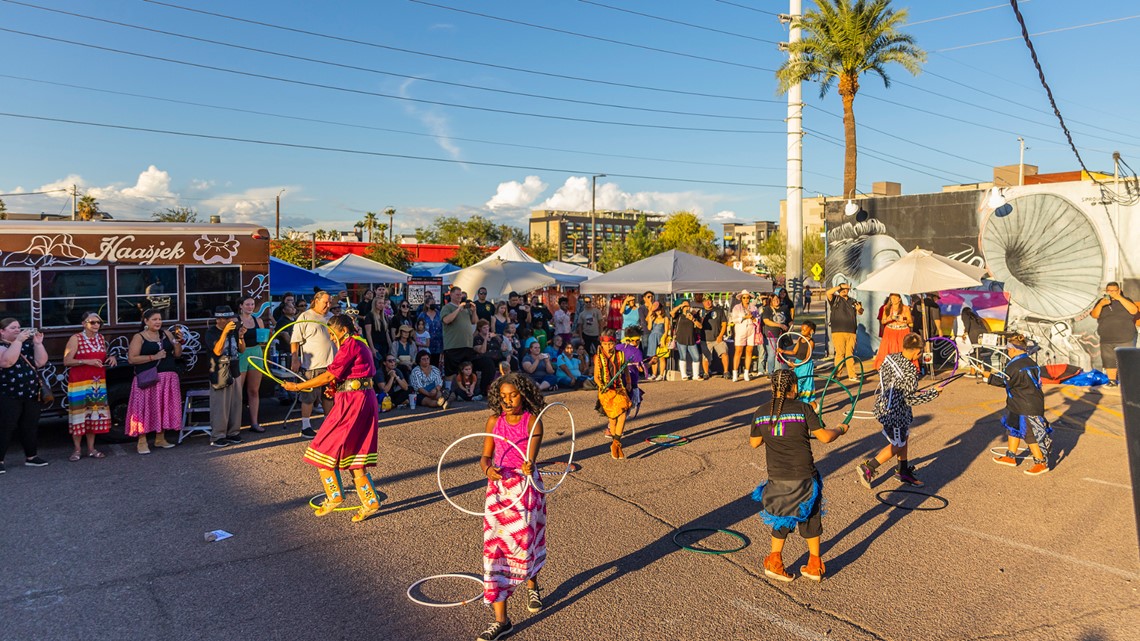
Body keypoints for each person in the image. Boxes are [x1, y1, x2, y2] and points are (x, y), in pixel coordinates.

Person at [750, 369, 850, 583]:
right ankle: (814, 564)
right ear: (794, 387)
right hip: (803, 474)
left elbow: (754, 442)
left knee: (782, 515)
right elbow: (824, 437)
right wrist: (840, 429)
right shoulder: (803, 408)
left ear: (772, 388)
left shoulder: (761, 411)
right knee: (810, 515)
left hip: (777, 476)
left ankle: (775, 561)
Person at [283, 314, 381, 523]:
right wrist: (336, 387)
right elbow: (350, 374)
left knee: (323, 445)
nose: (330, 336)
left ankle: (334, 495)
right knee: (355, 449)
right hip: (360, 398)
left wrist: (297, 387)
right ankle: (370, 501)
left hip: (354, 402)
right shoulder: (357, 343)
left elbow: (329, 375)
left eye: (331, 332)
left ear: (343, 330)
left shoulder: (350, 345)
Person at [477, 373, 546, 641]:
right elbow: (484, 456)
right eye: (503, 396)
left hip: (525, 488)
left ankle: (532, 583)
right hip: (499, 490)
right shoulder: (494, 421)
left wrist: (529, 464)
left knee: (525, 545)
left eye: (513, 395)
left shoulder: (533, 421)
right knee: (495, 550)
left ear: (524, 395)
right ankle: (501, 620)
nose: (507, 401)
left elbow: (531, 457)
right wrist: (488, 469)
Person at [857, 333, 941, 488]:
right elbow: (910, 399)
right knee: (898, 444)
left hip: (883, 405)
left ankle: (903, 471)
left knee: (904, 438)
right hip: (895, 414)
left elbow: (896, 384)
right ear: (917, 352)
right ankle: (868, 467)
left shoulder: (890, 358)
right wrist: (933, 394)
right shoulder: (910, 371)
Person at [984, 334, 1052, 476]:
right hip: (1019, 401)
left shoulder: (1015, 366)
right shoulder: (1029, 361)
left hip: (1027, 405)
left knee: (1030, 434)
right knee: (1013, 426)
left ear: (1013, 349)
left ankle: (1040, 462)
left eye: (1008, 349)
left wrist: (988, 376)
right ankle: (1010, 456)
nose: (1008, 352)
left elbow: (1005, 382)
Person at [126, 309, 183, 455]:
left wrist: (178, 341)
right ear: (145, 321)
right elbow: (132, 358)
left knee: (164, 407)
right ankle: (142, 441)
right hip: (148, 378)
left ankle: (160, 438)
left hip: (168, 377)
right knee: (145, 408)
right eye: (154, 319)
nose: (158, 322)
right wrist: (154, 357)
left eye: (159, 319)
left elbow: (177, 354)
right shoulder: (139, 337)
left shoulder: (166, 334)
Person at [62, 312, 115, 461]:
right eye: (92, 322)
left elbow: (101, 357)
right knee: (78, 414)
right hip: (79, 383)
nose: (96, 325)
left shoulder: (100, 338)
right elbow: (67, 361)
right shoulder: (76, 338)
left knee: (94, 415)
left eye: (99, 322)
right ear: (84, 323)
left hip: (96, 383)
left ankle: (91, 448)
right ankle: (77, 449)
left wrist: (110, 357)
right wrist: (86, 361)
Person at [0, 319, 49, 471]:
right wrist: (18, 341)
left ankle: (31, 456)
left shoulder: (25, 344)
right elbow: (7, 362)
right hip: (8, 394)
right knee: (5, 427)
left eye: (19, 328)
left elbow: (40, 362)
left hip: (31, 393)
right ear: (2, 331)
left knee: (30, 426)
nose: (17, 330)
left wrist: (38, 344)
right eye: (13, 328)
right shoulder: (3, 345)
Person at [290, 290, 335, 440]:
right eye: (325, 302)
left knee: (328, 396)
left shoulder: (331, 317)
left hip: (331, 364)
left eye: (330, 303)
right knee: (308, 396)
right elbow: (295, 339)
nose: (328, 305)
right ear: (316, 300)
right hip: (312, 365)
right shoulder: (305, 316)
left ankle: (327, 424)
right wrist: (295, 358)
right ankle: (305, 426)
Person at [205, 306, 245, 447]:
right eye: (227, 318)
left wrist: (240, 336)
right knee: (220, 405)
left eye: (231, 318)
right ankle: (218, 435)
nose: (230, 321)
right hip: (219, 370)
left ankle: (233, 432)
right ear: (219, 319)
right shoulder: (211, 332)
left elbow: (241, 350)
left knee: (236, 403)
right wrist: (224, 333)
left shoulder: (233, 331)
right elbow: (217, 351)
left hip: (234, 368)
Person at [1091, 281, 1138, 387]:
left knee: (1126, 360)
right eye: (1108, 290)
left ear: (1119, 291)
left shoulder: (1126, 300)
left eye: (1113, 291)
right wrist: (1101, 304)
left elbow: (1134, 311)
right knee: (1109, 361)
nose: (1111, 292)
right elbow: (1094, 315)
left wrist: (1119, 298)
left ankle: (1127, 382)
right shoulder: (1101, 302)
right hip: (1107, 338)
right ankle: (1112, 381)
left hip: (1125, 337)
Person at [594, 329, 631, 459]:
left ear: (614, 343)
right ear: (601, 344)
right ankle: (614, 444)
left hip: (619, 389)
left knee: (622, 415)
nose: (607, 347)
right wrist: (602, 386)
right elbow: (596, 377)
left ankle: (617, 443)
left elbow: (625, 370)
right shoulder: (598, 357)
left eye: (610, 344)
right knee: (613, 419)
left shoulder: (621, 354)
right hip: (606, 392)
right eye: (605, 345)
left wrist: (628, 382)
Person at [234, 296, 266, 433]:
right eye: (247, 304)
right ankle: (235, 425)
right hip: (241, 353)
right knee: (237, 391)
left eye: (252, 304)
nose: (250, 307)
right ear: (241, 306)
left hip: (256, 352)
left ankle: (254, 422)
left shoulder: (258, 320)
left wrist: (266, 337)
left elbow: (262, 341)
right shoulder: (235, 321)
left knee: (253, 390)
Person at [441, 286, 480, 389]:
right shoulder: (447, 307)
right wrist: (458, 308)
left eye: (460, 294)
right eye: (457, 294)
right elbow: (446, 320)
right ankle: (448, 390)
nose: (459, 296)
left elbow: (475, 321)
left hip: (466, 344)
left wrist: (474, 310)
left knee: (467, 370)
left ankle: (466, 390)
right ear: (451, 295)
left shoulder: (466, 309)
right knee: (450, 371)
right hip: (453, 345)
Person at [825, 283, 864, 383]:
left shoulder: (853, 301)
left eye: (846, 289)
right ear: (838, 289)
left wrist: (859, 309)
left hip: (851, 331)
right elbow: (828, 292)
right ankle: (837, 374)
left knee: (849, 354)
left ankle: (852, 375)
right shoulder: (835, 299)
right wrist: (840, 286)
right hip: (838, 331)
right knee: (840, 353)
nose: (844, 290)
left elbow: (860, 311)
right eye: (842, 289)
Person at [779, 321, 818, 410]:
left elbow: (808, 357)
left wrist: (796, 365)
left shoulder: (811, 342)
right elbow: (794, 351)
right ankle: (801, 407)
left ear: (811, 331)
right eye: (801, 330)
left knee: (803, 384)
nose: (802, 332)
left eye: (805, 330)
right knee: (796, 384)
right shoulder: (800, 339)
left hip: (805, 364)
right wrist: (783, 351)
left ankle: (814, 407)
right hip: (798, 362)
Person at [874, 293, 912, 370]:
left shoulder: (905, 308)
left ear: (899, 299)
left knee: (902, 349)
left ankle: (903, 367)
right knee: (889, 349)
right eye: (891, 298)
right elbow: (883, 321)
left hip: (902, 331)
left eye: (895, 298)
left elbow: (910, 320)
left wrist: (902, 319)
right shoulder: (886, 308)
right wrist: (890, 318)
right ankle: (888, 367)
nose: (893, 300)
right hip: (890, 331)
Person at [617, 325, 649, 415]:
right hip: (630, 380)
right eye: (638, 340)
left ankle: (611, 426)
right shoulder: (636, 351)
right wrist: (650, 363)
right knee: (628, 403)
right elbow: (641, 369)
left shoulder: (618, 347)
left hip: (616, 378)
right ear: (635, 340)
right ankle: (619, 423)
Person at [730, 290, 759, 382]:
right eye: (744, 297)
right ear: (741, 299)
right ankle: (735, 373)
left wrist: (752, 317)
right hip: (740, 330)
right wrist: (744, 317)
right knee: (738, 351)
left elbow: (757, 321)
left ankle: (746, 372)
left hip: (751, 329)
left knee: (749, 351)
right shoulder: (736, 307)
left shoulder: (753, 308)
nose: (746, 299)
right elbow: (734, 319)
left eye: (748, 297)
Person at [699, 295, 729, 380]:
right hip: (705, 339)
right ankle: (706, 372)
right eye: (705, 301)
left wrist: (720, 335)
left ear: (712, 301)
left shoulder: (719, 310)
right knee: (705, 357)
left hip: (717, 338)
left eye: (709, 300)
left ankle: (726, 371)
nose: (707, 302)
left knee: (724, 352)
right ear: (703, 303)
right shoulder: (701, 312)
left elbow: (724, 324)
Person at [954, 306, 989, 377]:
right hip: (982, 333)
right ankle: (979, 371)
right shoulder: (975, 317)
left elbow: (967, 324)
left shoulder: (965, 315)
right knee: (978, 350)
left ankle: (972, 371)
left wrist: (965, 333)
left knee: (972, 351)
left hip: (974, 333)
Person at [671, 299, 701, 381]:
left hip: (691, 339)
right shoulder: (679, 315)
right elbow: (672, 313)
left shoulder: (694, 315)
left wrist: (693, 319)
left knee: (696, 357)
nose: (686, 307)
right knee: (683, 356)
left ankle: (695, 375)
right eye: (685, 306)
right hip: (681, 338)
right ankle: (684, 375)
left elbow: (700, 326)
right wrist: (680, 306)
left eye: (688, 306)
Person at [760, 292, 789, 377]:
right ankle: (770, 372)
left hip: (782, 335)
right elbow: (766, 321)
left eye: (777, 299)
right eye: (774, 300)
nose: (776, 301)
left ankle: (777, 371)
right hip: (771, 335)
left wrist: (790, 325)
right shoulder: (768, 309)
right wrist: (779, 325)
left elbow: (789, 319)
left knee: (779, 353)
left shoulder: (784, 308)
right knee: (772, 354)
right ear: (771, 301)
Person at [363, 295, 391, 364]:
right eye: (379, 303)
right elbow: (368, 333)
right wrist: (372, 348)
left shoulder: (383, 316)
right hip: (375, 344)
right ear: (375, 304)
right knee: (376, 364)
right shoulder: (369, 316)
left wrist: (390, 344)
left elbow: (386, 331)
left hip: (384, 344)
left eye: (382, 303)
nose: (381, 305)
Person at [645, 305, 670, 381]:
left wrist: (663, 339)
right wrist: (650, 318)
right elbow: (649, 328)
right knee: (653, 357)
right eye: (656, 310)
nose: (658, 311)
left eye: (659, 310)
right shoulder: (653, 318)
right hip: (652, 337)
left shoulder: (665, 318)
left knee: (662, 357)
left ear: (662, 309)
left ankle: (661, 374)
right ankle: (654, 374)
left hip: (661, 337)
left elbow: (666, 331)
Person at [417, 299, 444, 365]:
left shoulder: (439, 314)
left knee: (436, 364)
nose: (433, 305)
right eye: (431, 303)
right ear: (427, 305)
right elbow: (418, 327)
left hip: (438, 343)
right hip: (426, 343)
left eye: (434, 303)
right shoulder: (422, 315)